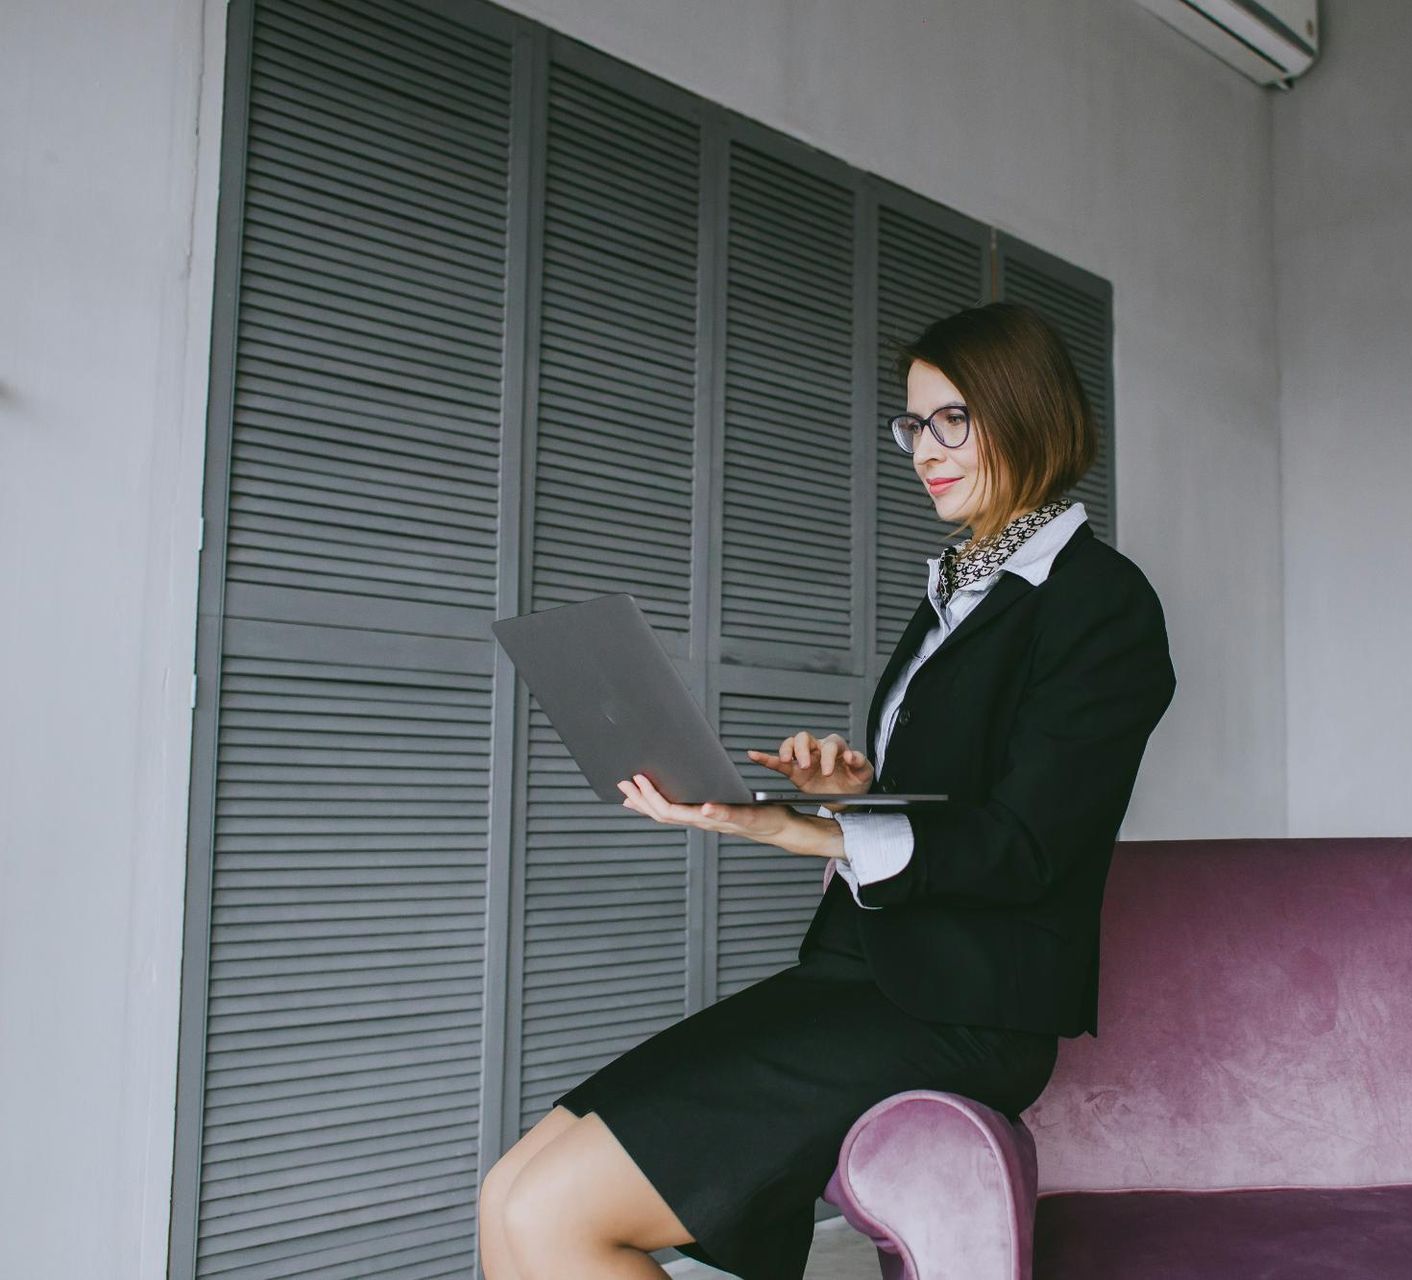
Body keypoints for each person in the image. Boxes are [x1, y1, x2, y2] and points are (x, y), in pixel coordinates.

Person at [476, 302, 1177, 1280]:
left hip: (966, 1011)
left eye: (951, 420)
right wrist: (854, 790)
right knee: (509, 1192)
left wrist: (788, 828)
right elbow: (947, 801)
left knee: (555, 1215)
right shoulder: (956, 588)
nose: (924, 449)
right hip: (865, 972)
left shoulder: (1103, 604)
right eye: (913, 424)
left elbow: (1026, 846)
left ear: (1027, 413)